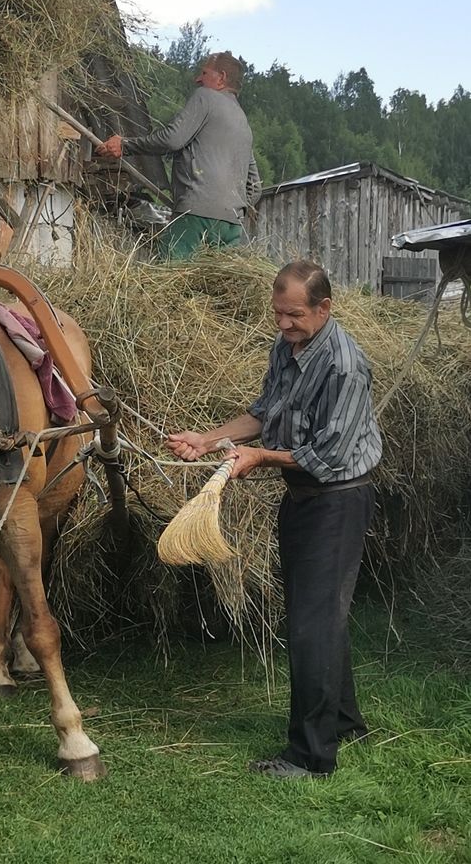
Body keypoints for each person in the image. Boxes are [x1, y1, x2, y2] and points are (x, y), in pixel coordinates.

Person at [166, 260, 382, 779]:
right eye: (278, 314)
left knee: (311, 625)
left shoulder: (345, 366)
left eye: (295, 315)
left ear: (324, 308)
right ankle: (346, 721)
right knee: (320, 617)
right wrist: (211, 439)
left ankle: (310, 758)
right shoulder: (287, 349)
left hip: (337, 497)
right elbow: (263, 413)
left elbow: (327, 454)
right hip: (303, 496)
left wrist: (260, 458)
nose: (284, 324)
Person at [96, 51, 261, 260]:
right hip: (231, 224)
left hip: (196, 213)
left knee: (167, 280)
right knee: (216, 287)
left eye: (204, 72)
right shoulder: (243, 123)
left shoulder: (206, 97)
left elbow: (173, 139)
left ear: (221, 78)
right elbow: (255, 187)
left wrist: (126, 145)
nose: (198, 79)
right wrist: (232, 204)